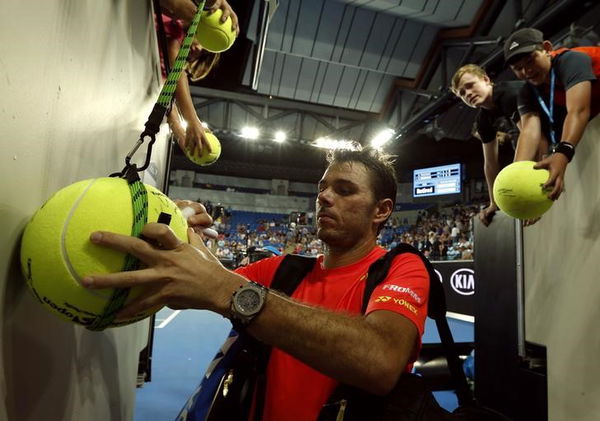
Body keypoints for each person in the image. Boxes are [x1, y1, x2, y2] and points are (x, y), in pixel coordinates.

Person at [81, 146, 430, 420]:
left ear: (381, 210)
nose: (324, 197)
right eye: (323, 187)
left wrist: (229, 291)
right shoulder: (284, 270)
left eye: (344, 190)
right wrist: (180, 229)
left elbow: (380, 361)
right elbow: (197, 282)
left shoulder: (402, 267)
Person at [504, 27, 600, 201]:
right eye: (518, 68)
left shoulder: (571, 60)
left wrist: (563, 153)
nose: (527, 71)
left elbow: (578, 111)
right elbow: (529, 133)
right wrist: (519, 182)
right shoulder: (528, 92)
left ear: (547, 49)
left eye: (530, 60)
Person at [158, 0, 239, 155]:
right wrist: (192, 120)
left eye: (204, 53)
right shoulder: (174, 30)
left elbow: (167, 98)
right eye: (201, 42)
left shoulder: (164, 66)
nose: (199, 48)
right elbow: (178, 71)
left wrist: (180, 132)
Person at [451, 64, 528, 226]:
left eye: (470, 86)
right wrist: (494, 202)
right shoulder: (482, 120)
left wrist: (523, 187)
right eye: (462, 94)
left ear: (486, 79)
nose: (468, 94)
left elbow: (532, 135)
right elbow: (490, 164)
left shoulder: (509, 95)